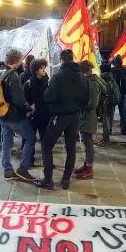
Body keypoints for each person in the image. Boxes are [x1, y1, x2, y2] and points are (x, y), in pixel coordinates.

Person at [34, 49, 90, 190]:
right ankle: (66, 180)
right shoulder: (82, 77)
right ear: (73, 59)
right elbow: (86, 99)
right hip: (75, 116)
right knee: (71, 148)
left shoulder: (58, 77)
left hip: (60, 116)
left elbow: (48, 97)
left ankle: (48, 179)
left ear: (62, 61)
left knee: (47, 144)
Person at [0, 49, 36, 182]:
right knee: (31, 138)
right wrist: (29, 107)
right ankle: (23, 169)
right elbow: (18, 99)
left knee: (7, 142)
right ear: (16, 60)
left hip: (1, 113)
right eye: (20, 60)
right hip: (13, 115)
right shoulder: (12, 75)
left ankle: (7, 170)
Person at [75, 61, 105, 180]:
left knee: (88, 143)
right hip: (87, 115)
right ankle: (86, 165)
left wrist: (78, 105)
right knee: (87, 143)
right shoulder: (91, 81)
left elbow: (92, 104)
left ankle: (89, 169)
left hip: (89, 116)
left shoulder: (92, 83)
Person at [23, 58, 50, 166]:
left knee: (46, 140)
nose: (44, 70)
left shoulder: (48, 83)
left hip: (45, 116)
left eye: (44, 68)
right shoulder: (28, 84)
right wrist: (29, 110)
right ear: (35, 70)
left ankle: (47, 161)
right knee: (30, 139)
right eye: (41, 68)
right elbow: (24, 100)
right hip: (33, 117)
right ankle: (29, 161)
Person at [98, 62, 120, 146]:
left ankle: (105, 140)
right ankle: (107, 136)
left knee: (105, 121)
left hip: (105, 102)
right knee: (109, 119)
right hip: (111, 101)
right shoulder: (111, 77)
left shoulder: (102, 78)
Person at [111, 55, 126, 135]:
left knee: (110, 112)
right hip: (123, 94)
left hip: (112, 94)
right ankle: (123, 129)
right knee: (122, 112)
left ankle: (109, 129)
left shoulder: (111, 71)